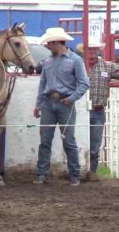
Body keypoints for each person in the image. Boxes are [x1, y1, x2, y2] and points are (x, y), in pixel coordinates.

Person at [33, 27, 89, 187]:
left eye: (49, 43)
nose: (47, 46)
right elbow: (43, 83)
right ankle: (42, 174)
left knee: (68, 141)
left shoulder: (75, 60)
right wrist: (38, 104)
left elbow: (84, 83)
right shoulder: (48, 61)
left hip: (65, 103)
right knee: (45, 140)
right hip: (48, 104)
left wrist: (71, 98)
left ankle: (74, 175)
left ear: (57, 42)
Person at [78, 43, 119, 181]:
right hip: (80, 111)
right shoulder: (77, 65)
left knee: (94, 147)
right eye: (89, 49)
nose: (92, 52)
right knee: (75, 144)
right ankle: (78, 172)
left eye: (94, 49)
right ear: (84, 51)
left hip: (97, 110)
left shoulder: (107, 66)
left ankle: (91, 173)